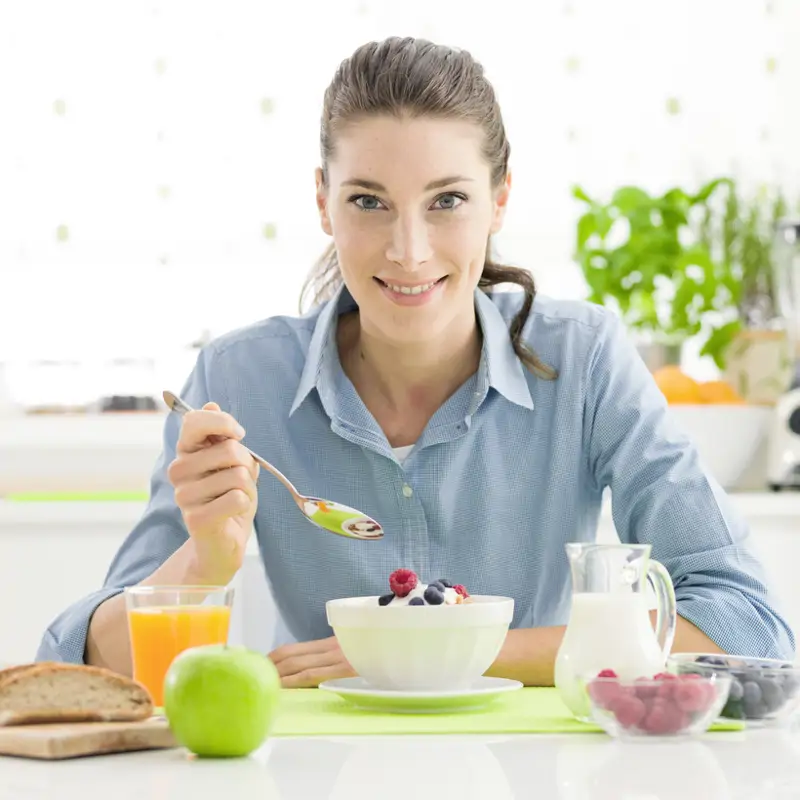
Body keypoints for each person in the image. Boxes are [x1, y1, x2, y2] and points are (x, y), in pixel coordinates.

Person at [37, 36, 794, 687]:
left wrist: (439, 647)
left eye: (447, 201)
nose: (408, 250)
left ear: (500, 201)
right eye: (368, 201)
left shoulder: (584, 361)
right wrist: (202, 566)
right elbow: (79, 664)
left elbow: (749, 628)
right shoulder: (238, 382)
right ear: (322, 202)